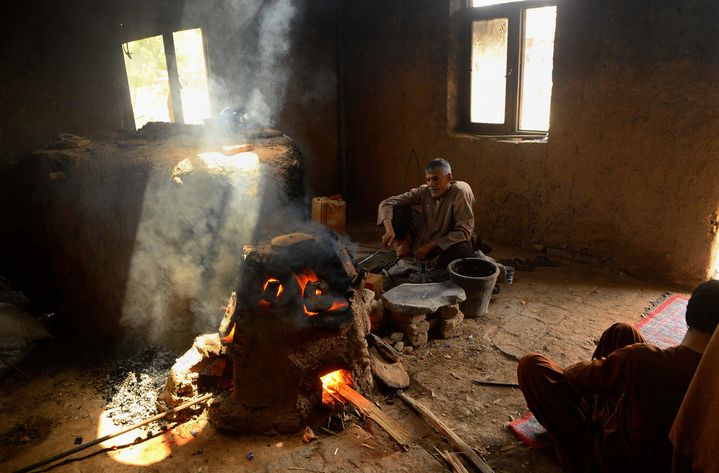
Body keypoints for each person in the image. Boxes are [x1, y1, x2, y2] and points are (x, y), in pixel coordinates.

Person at [516, 280, 719, 473]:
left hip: (612, 461)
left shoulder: (644, 358)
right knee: (622, 332)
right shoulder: (711, 376)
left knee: (532, 366)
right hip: (663, 456)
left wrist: (606, 371)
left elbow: (575, 376)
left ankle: (576, 446)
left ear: (688, 312)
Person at [377, 158, 476, 268]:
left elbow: (464, 233)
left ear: (449, 177)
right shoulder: (425, 191)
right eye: (428, 180)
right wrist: (389, 230)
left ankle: (437, 263)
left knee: (463, 255)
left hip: (447, 243)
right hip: (425, 238)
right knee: (398, 210)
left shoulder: (460, 191)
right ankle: (403, 249)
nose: (431, 184)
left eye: (436, 179)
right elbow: (387, 203)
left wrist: (431, 245)